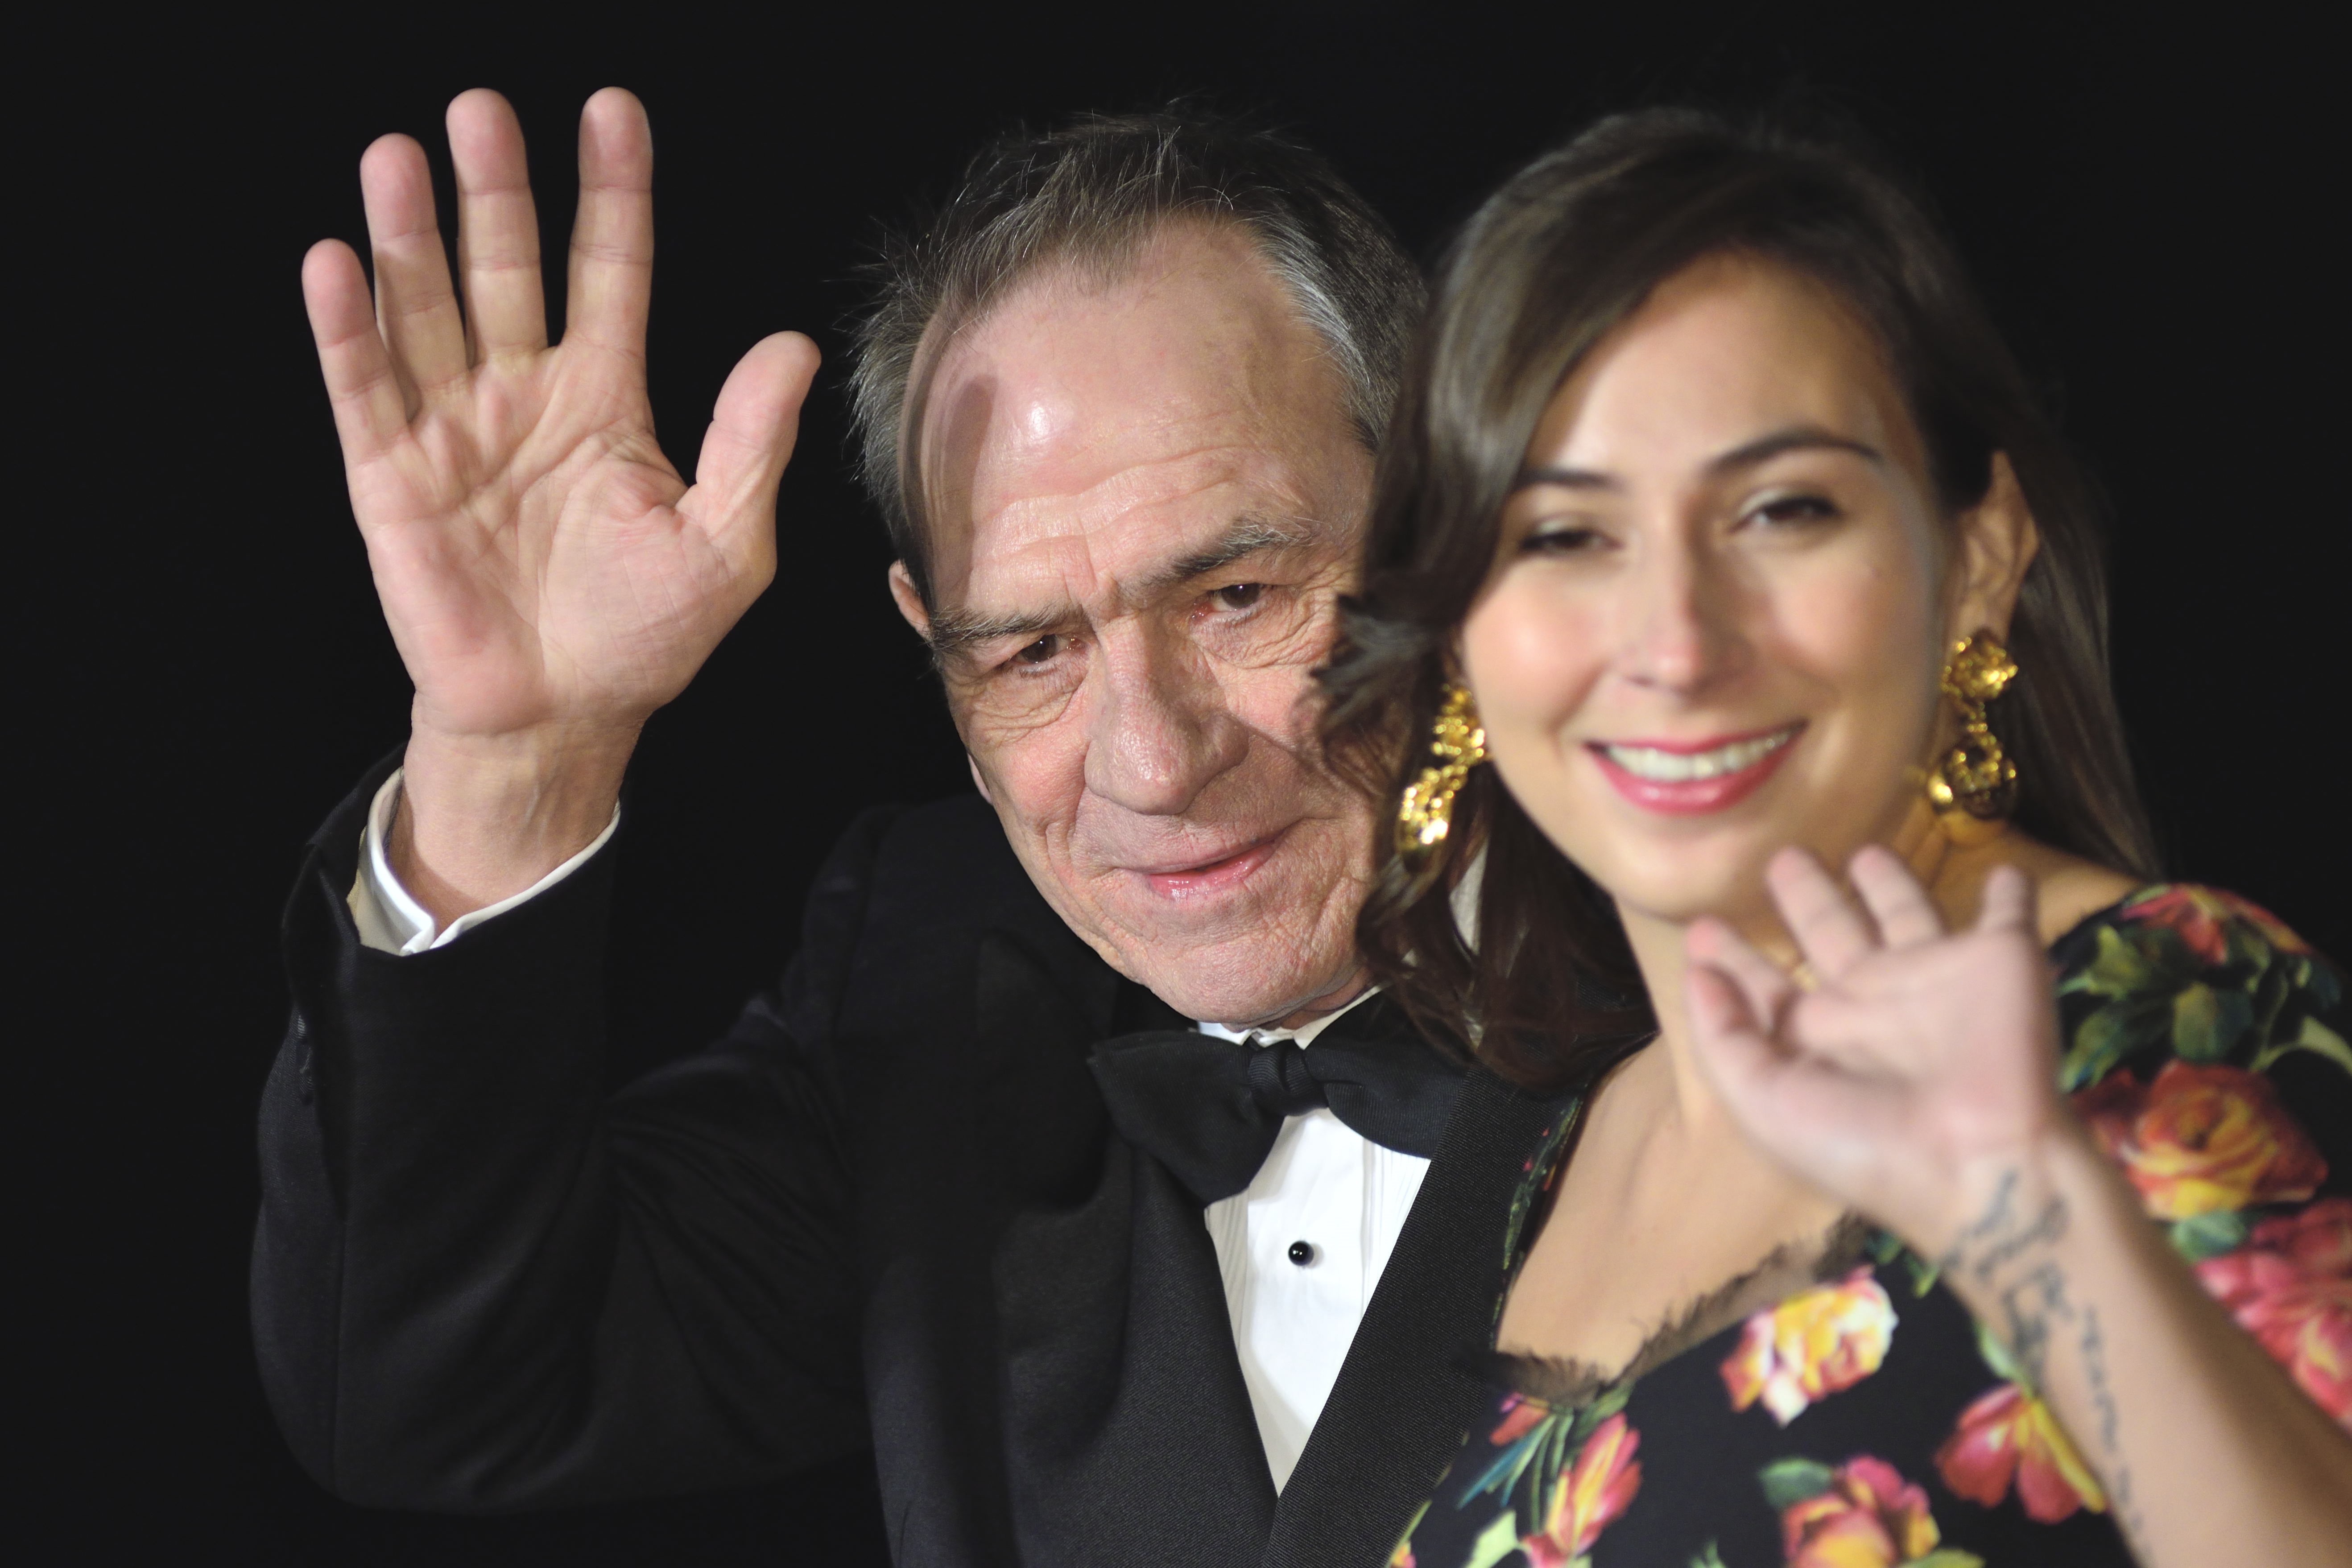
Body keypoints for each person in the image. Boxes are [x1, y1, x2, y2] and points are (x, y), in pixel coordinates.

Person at [251, 88, 1570, 1568]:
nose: (1150, 761)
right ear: (928, 644)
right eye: (1028, 653)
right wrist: (518, 757)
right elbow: (433, 1396)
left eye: (1236, 596)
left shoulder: (1765, 955)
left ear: (1445, 521)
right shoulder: (936, 981)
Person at [1321, 110, 2352, 1568]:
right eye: (1563, 535)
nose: (1675, 643)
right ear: (1456, 637)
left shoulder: (2177, 1010)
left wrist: (2032, 1221)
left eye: (1781, 511)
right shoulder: (1569, 1154)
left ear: (1978, 556)